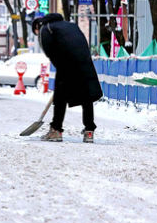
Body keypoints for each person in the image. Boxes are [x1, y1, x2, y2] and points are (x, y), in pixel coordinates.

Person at [32, 13, 103, 143]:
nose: (38, 36)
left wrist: (62, 71)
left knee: (60, 97)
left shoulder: (45, 29)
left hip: (66, 63)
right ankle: (89, 131)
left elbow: (50, 52)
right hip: (85, 61)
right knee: (86, 97)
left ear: (37, 26)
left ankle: (56, 130)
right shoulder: (70, 25)